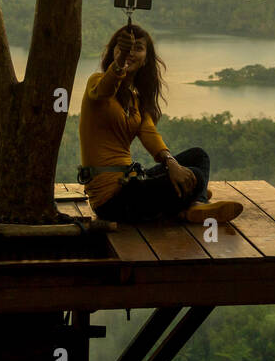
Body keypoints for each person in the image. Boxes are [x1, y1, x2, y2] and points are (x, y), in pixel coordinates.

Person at [78, 24, 243, 226]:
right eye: (124, 48)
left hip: (131, 182)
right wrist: (120, 62)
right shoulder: (97, 82)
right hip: (111, 200)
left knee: (198, 156)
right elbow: (105, 89)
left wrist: (172, 164)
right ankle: (191, 200)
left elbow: (151, 137)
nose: (130, 53)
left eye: (137, 48)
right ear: (114, 52)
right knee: (196, 177)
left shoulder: (136, 101)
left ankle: (195, 203)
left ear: (146, 58)